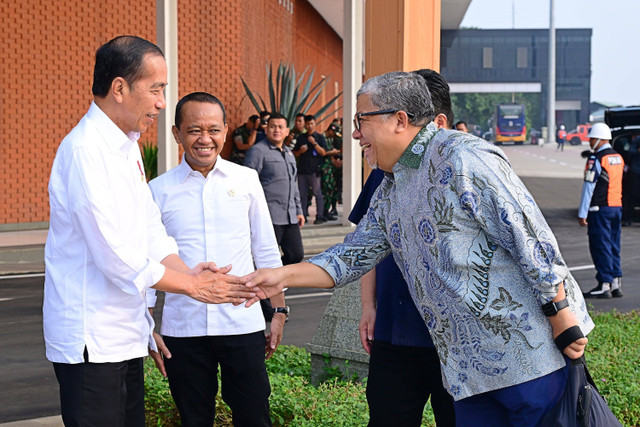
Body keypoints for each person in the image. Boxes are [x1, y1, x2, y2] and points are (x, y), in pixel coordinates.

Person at [242, 71, 593, 427]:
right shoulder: (391, 187)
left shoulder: (463, 158)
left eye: (361, 121)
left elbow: (530, 237)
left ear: (400, 120)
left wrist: (560, 313)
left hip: (528, 356)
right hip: (468, 372)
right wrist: (279, 275)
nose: (354, 134)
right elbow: (349, 257)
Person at [43, 36, 253, 427]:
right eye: (155, 89)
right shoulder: (86, 151)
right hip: (93, 339)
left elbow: (149, 230)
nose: (161, 102)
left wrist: (190, 272)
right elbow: (113, 254)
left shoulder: (127, 147)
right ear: (119, 88)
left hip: (125, 334)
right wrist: (193, 288)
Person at [147, 92, 286, 426]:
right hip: (185, 329)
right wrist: (148, 325)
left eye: (213, 129)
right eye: (194, 130)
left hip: (243, 321)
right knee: (195, 418)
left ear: (226, 131)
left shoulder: (246, 179)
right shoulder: (157, 189)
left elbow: (265, 249)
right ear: (177, 133)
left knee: (254, 415)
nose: (205, 139)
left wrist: (278, 310)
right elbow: (147, 261)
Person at [352, 68, 455, 427]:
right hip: (396, 332)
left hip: (456, 340)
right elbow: (363, 246)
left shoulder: (467, 170)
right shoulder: (383, 171)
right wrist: (368, 306)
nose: (357, 133)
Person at [245, 113, 306, 265]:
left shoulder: (289, 153)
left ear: (287, 131)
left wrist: (298, 211)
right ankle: (264, 283)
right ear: (266, 129)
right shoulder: (257, 151)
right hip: (268, 216)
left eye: (280, 127)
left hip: (290, 215)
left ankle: (276, 276)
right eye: (272, 126)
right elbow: (246, 184)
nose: (276, 130)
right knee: (266, 258)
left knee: (296, 254)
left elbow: (294, 184)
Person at [578, 123, 624, 298]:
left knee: (600, 245)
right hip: (616, 207)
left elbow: (588, 187)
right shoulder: (618, 157)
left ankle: (603, 284)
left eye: (591, 138)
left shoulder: (596, 159)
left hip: (599, 209)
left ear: (599, 139)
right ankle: (615, 283)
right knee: (613, 245)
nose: (589, 142)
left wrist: (582, 213)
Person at [293, 114, 329, 224]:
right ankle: (302, 215)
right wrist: (300, 152)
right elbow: (295, 153)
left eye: (311, 124)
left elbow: (324, 153)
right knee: (302, 195)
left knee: (317, 194)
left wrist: (314, 143)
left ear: (315, 123)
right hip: (302, 171)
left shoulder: (319, 137)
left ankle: (320, 216)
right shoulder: (301, 138)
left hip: (314, 171)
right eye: (307, 124)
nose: (309, 126)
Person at [321, 123, 343, 219]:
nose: (334, 136)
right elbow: (324, 153)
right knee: (326, 190)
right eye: (333, 133)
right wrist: (335, 152)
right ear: (330, 130)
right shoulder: (322, 138)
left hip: (331, 167)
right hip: (324, 168)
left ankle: (328, 211)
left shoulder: (330, 139)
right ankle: (323, 212)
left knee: (332, 189)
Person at [621, 135, 640, 226]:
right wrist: (638, 151)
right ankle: (628, 219)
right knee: (632, 196)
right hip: (635, 172)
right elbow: (629, 152)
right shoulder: (638, 139)